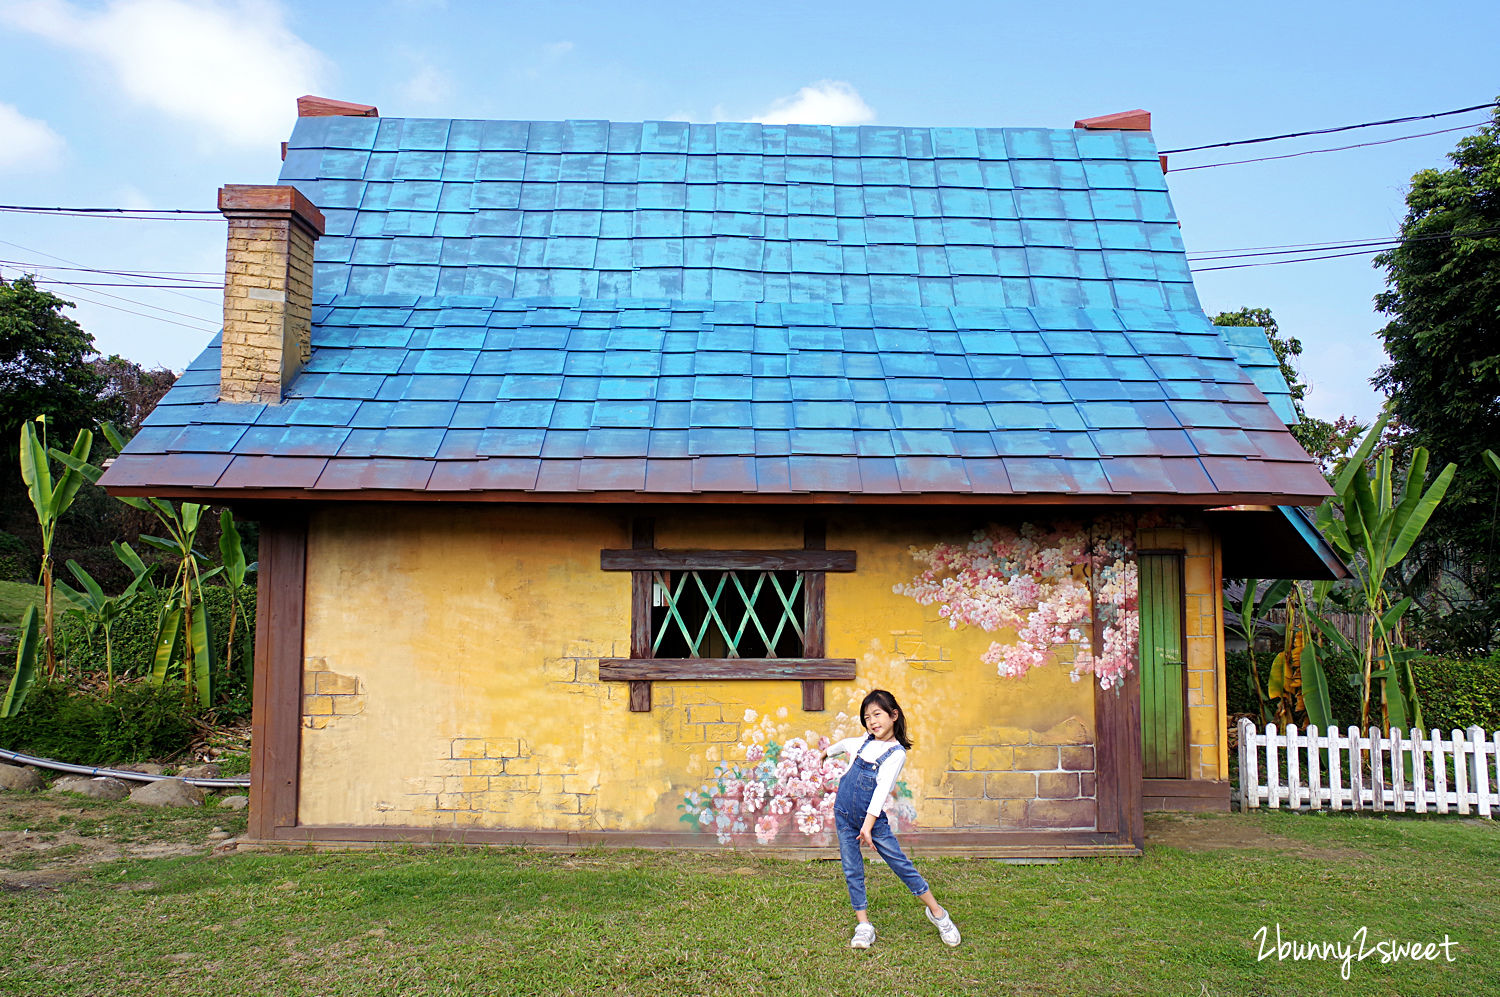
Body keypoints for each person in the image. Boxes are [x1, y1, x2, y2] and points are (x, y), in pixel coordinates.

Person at [817, 688, 961, 949]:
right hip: (844, 816)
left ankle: (938, 913)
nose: (872, 721)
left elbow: (881, 792)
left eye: (877, 714)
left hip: (871, 821)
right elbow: (845, 744)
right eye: (867, 717)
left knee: (900, 865)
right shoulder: (863, 742)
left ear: (893, 715)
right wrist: (826, 752)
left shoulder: (895, 754)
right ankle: (863, 925)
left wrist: (868, 827)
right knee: (852, 869)